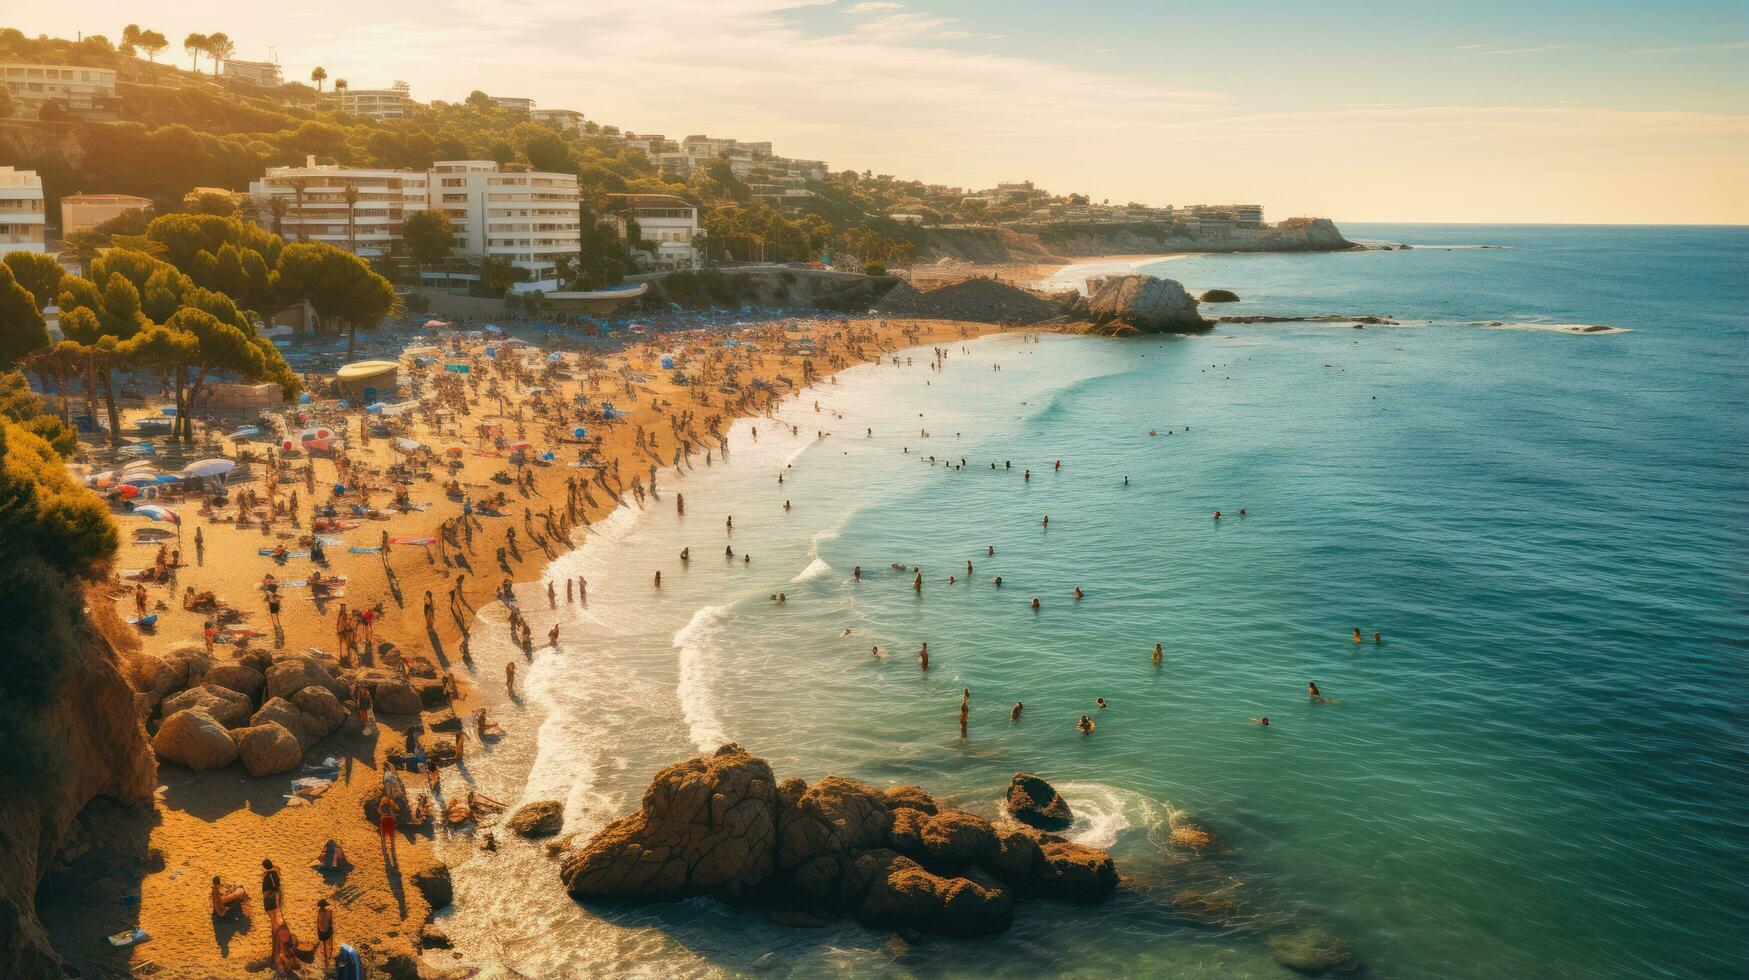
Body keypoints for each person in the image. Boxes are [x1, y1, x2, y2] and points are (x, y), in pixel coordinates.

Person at [261, 858, 283, 927]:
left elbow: (274, 885)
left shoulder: (270, 875)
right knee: (275, 912)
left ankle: (277, 928)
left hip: (271, 894)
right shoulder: (274, 872)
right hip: (272, 894)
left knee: (273, 913)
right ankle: (278, 927)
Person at [315, 899, 336, 973]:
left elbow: (318, 922)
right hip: (326, 932)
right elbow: (330, 921)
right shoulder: (328, 912)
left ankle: (323, 945)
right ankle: (326, 949)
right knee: (331, 928)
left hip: (321, 932)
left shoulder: (319, 912)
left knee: (323, 936)